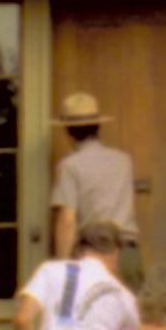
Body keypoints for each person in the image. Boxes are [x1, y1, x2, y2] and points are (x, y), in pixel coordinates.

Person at [48, 91, 136, 265]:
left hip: (94, 255)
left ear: (69, 131)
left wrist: (63, 265)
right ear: (98, 126)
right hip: (127, 251)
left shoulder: (70, 166)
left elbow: (67, 220)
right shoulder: (123, 161)